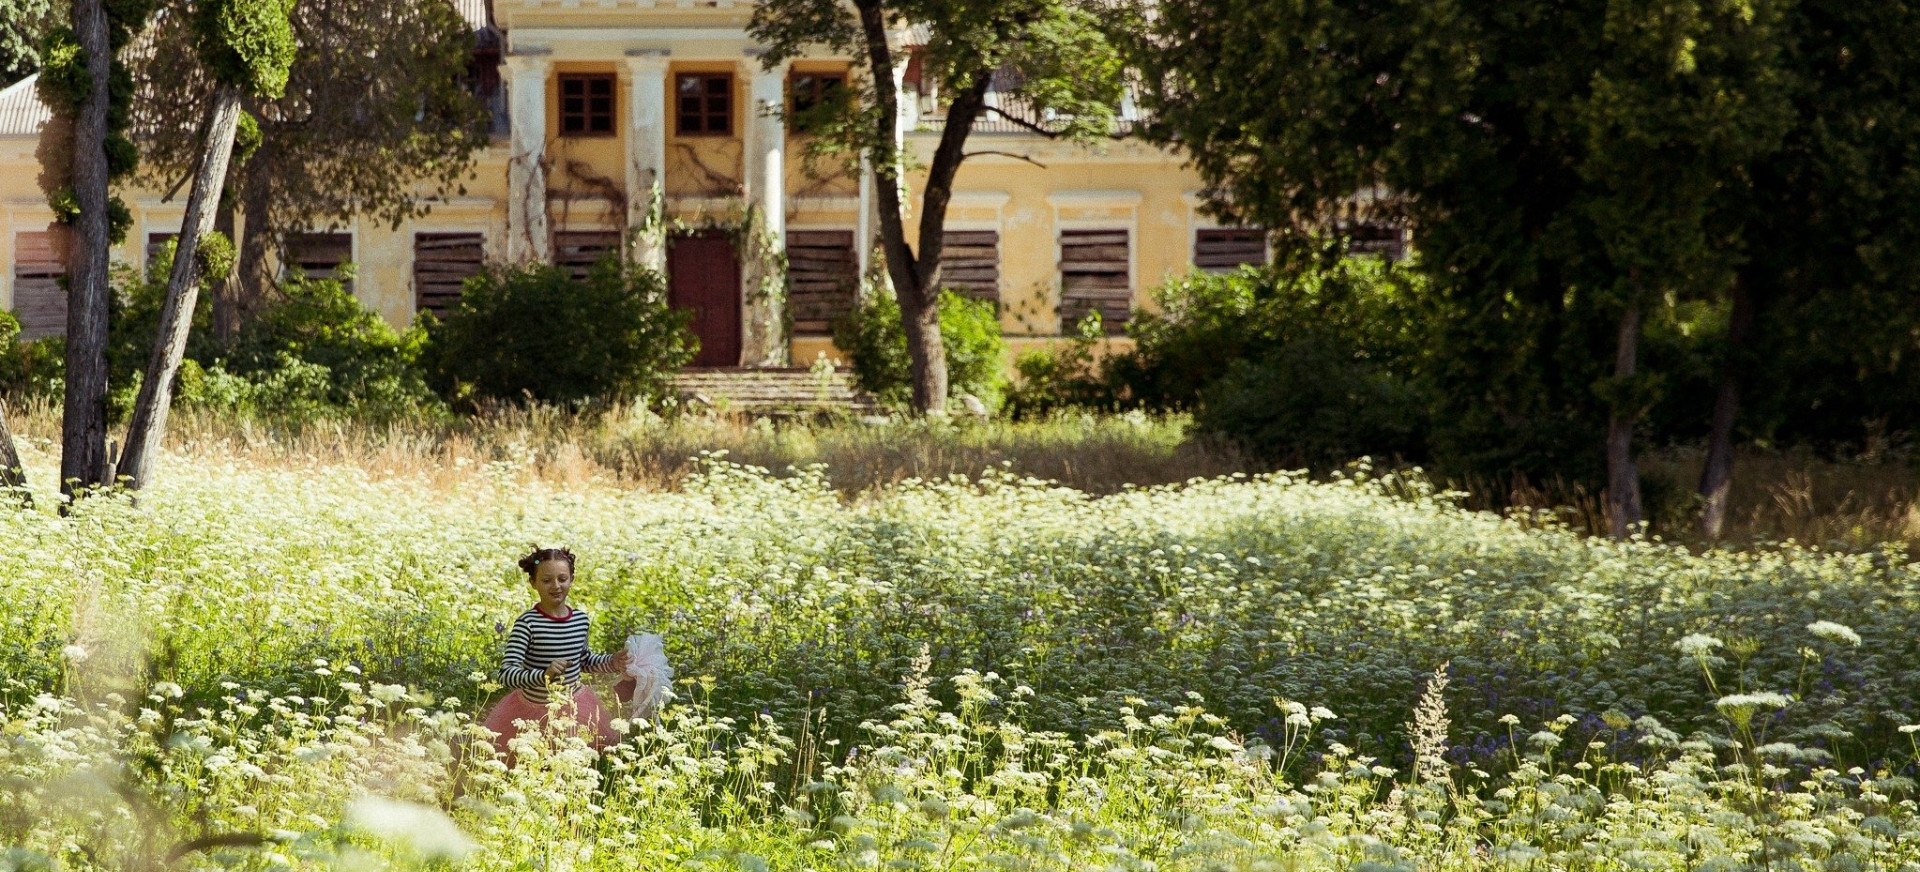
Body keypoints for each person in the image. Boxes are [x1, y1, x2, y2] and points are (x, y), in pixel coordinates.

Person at [482, 547, 632, 759]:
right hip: (533, 711)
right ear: (533, 583)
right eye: (546, 580)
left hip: (575, 708)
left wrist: (613, 661)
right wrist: (544, 675)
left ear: (572, 579)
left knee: (570, 764)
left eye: (562, 579)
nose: (556, 586)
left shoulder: (579, 620)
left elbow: (584, 661)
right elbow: (507, 674)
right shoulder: (528, 623)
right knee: (532, 764)